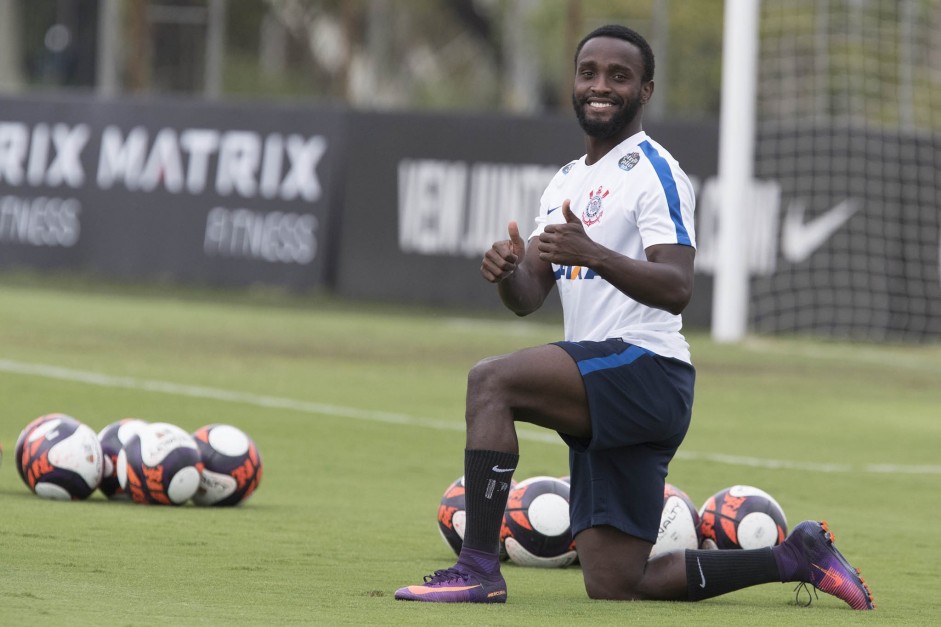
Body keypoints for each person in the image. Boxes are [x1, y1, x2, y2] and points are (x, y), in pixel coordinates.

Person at [394, 24, 874, 611]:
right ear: (574, 83)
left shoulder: (655, 172)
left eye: (618, 76)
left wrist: (591, 251)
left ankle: (476, 569)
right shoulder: (566, 181)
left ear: (645, 90)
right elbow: (530, 296)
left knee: (491, 381)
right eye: (588, 73)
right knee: (616, 582)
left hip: (647, 370)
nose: (600, 86)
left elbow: (677, 287)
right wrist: (507, 272)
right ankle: (793, 556)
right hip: (606, 383)